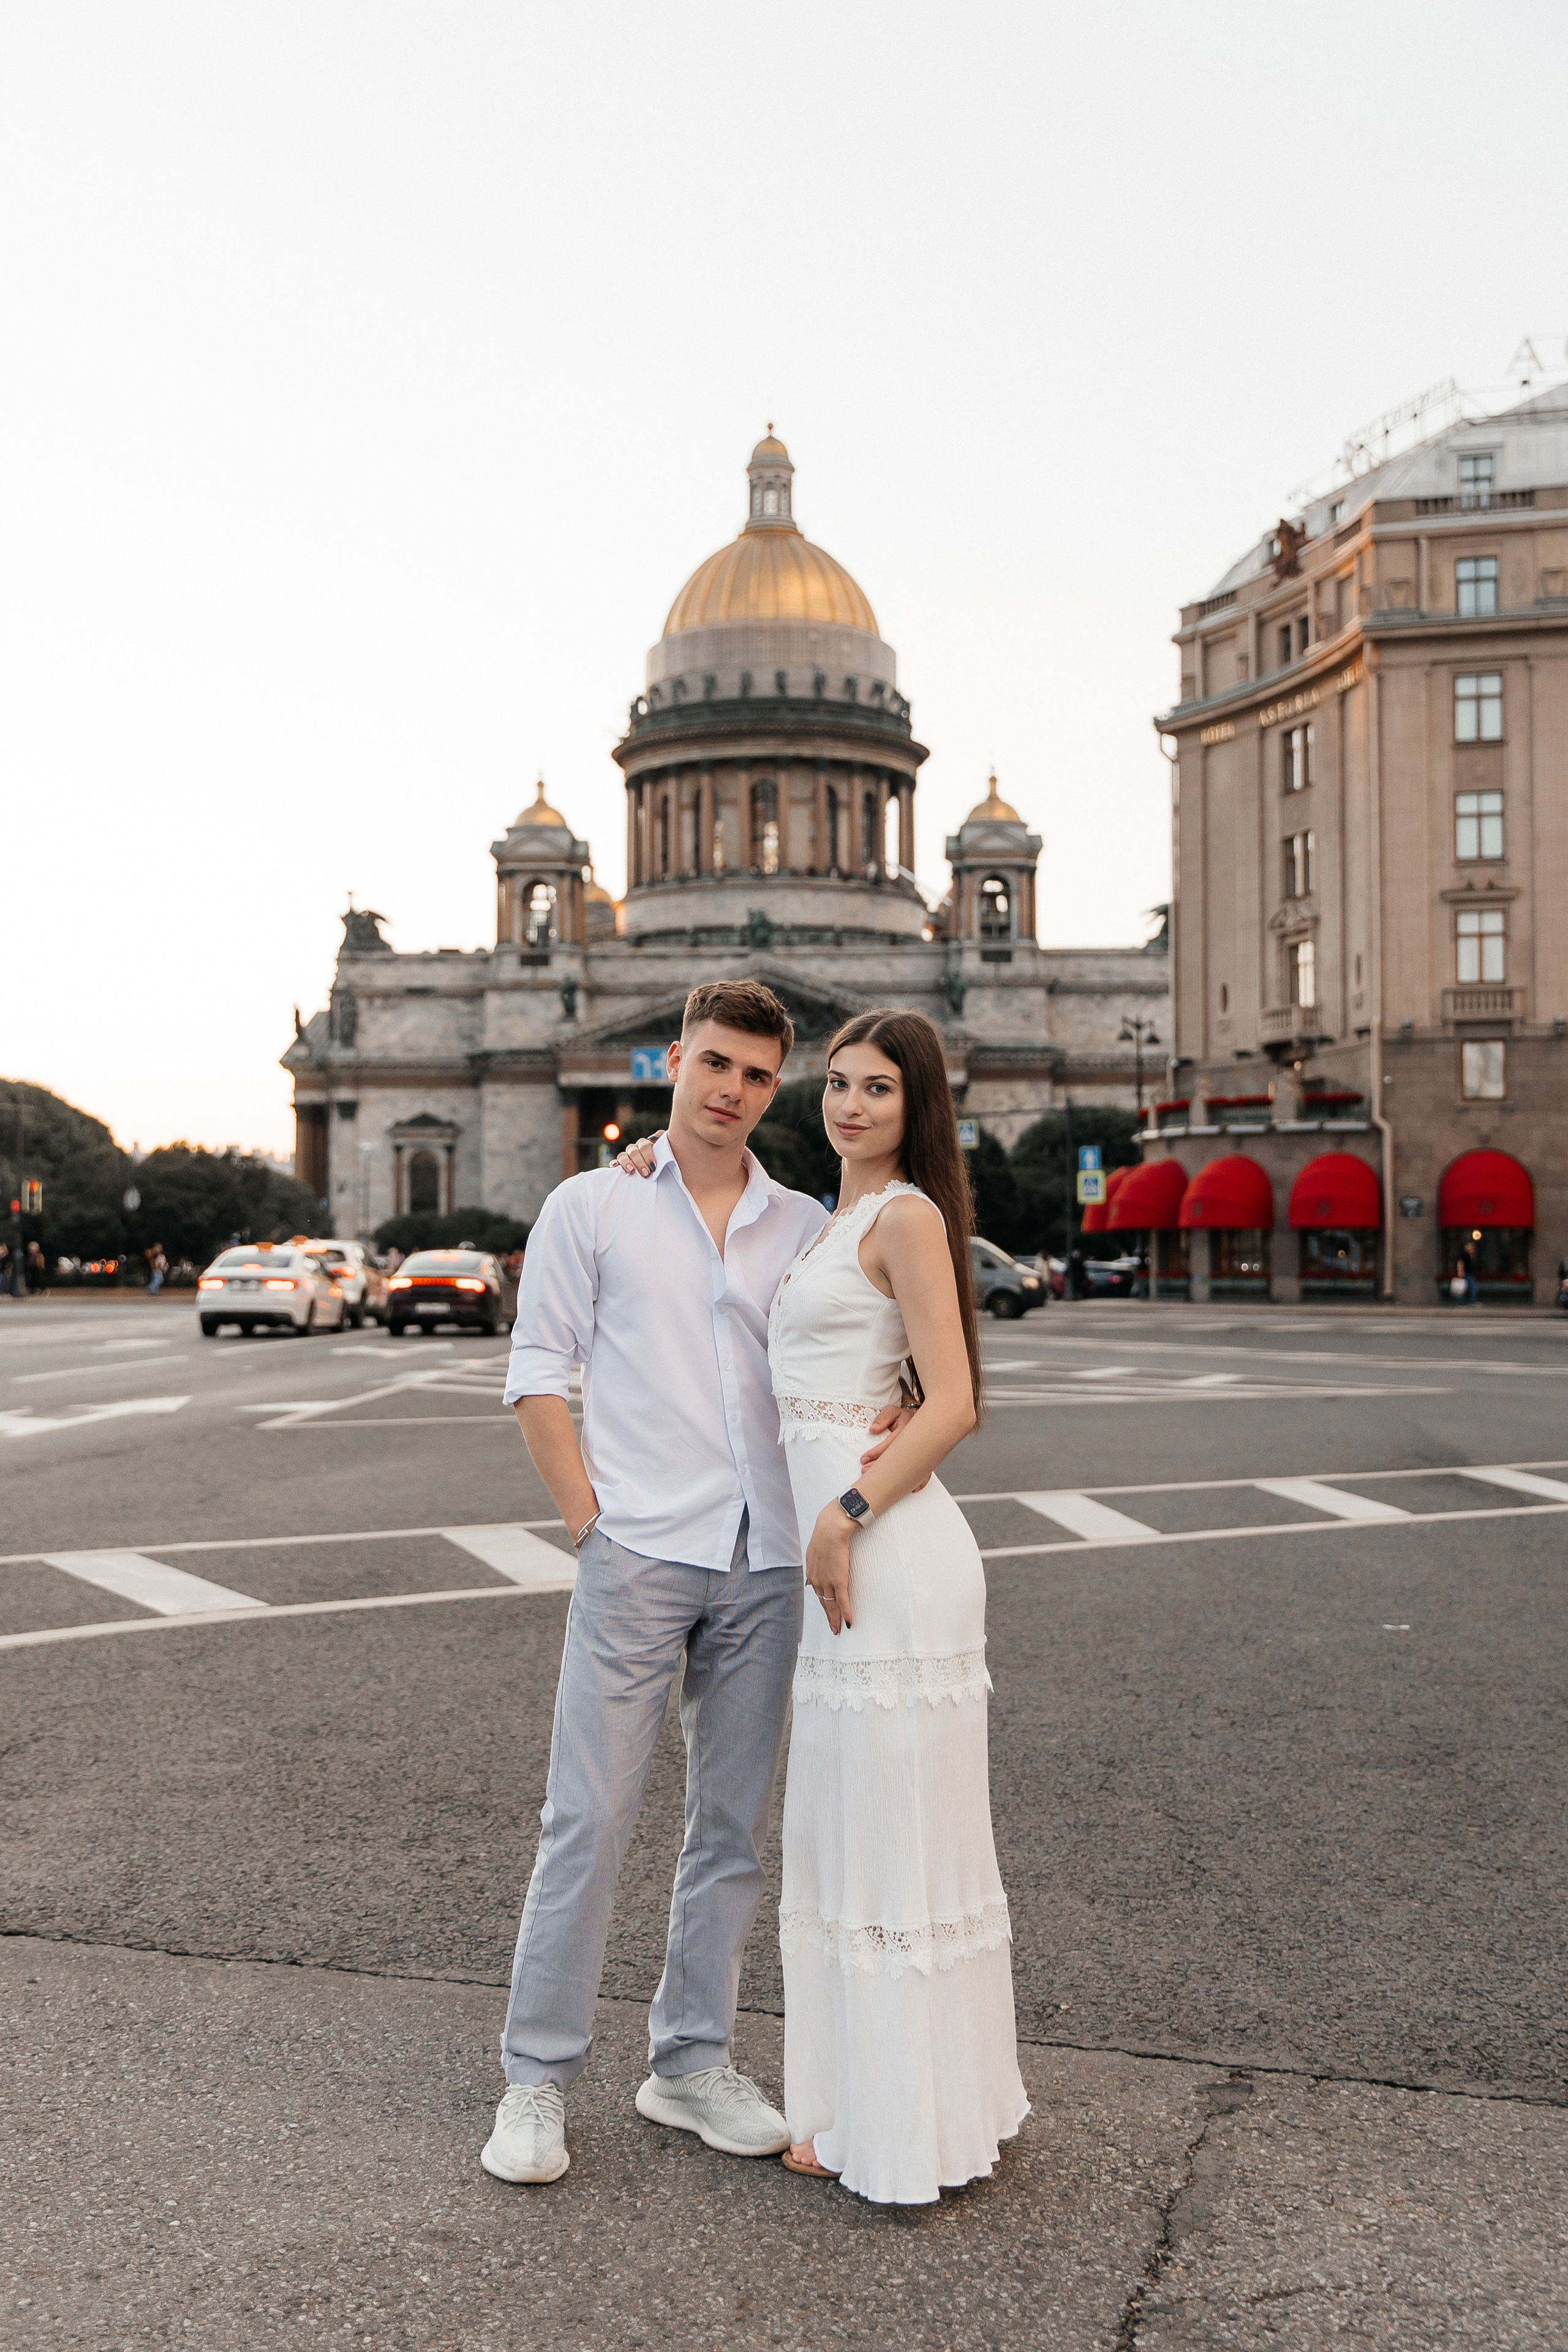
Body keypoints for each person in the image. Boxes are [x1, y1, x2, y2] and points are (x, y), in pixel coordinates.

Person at [482, 979, 908, 2188]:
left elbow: (871, 1361)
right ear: (669, 1059)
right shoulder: (591, 1206)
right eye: (713, 1064)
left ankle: (688, 2061)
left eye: (757, 1075)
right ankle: (534, 2080)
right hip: (641, 1553)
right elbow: (535, 1372)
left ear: (778, 1087)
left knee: (727, 1832)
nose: (730, 1092)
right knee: (589, 1818)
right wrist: (588, 1525)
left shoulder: (804, 1224)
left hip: (769, 1558)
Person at [616, 1008, 1028, 2203]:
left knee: (888, 1839)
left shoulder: (901, 1216)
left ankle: (901, 2128)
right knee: (861, 1835)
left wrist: (843, 1515)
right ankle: (879, 2102)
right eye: (838, 1083)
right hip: (848, 1547)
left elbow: (952, 1402)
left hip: (881, 1554)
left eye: (878, 1090)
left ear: (916, 1109)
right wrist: (646, 1158)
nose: (848, 1105)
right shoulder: (828, 1219)